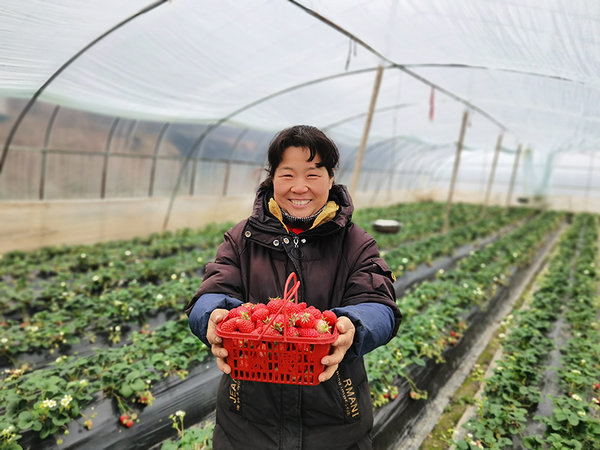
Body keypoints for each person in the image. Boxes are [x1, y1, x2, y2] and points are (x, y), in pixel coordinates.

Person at [185, 125, 402, 450]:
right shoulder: (242, 238)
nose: (299, 187)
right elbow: (212, 292)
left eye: (313, 174)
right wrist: (212, 318)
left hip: (334, 426)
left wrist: (353, 326)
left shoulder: (356, 244)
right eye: (287, 174)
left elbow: (380, 305)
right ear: (272, 178)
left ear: (331, 179)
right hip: (246, 426)